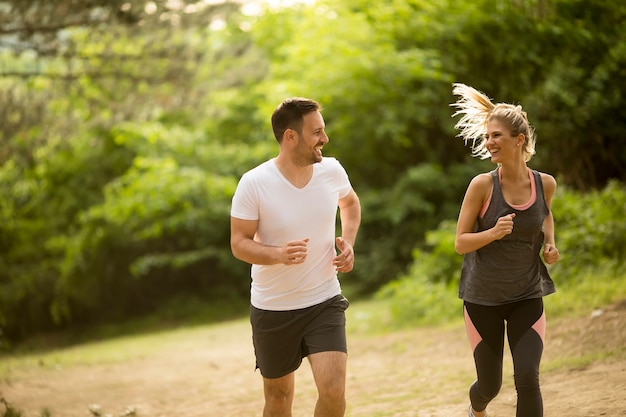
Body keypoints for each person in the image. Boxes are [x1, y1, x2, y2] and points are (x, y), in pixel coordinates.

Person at [230, 97, 361, 417]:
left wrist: (349, 243)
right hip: (273, 309)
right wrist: (277, 255)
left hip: (324, 301)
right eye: (316, 132)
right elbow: (238, 243)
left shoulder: (331, 171)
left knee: (333, 391)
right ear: (291, 136)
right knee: (278, 397)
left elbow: (351, 204)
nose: (325, 139)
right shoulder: (254, 183)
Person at [450, 83, 560, 417]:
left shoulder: (545, 184)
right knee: (490, 385)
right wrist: (494, 233)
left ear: (519, 140)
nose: (489, 143)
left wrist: (550, 243)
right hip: (482, 299)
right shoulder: (482, 186)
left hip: (527, 294)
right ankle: (476, 408)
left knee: (528, 377)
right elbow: (460, 242)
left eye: (496, 136)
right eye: (487, 136)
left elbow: (546, 214)